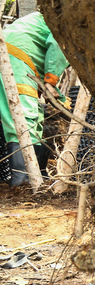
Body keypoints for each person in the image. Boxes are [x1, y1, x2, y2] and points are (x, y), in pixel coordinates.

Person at [0, 12, 69, 186]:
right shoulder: (68, 18)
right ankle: (22, 179)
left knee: (34, 118)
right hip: (15, 58)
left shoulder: (44, 16)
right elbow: (59, 44)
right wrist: (51, 81)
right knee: (23, 118)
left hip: (17, 57)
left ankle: (37, 174)